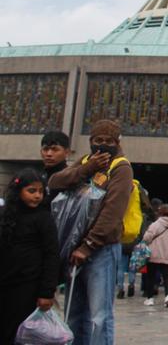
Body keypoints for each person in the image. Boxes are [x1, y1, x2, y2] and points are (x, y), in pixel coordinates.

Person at [49, 119, 133, 345]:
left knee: (100, 316)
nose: (103, 145)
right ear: (90, 142)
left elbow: (112, 212)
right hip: (74, 248)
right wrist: (86, 169)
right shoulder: (87, 161)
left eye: (108, 141)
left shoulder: (121, 167)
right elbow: (55, 181)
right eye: (98, 140)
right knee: (74, 313)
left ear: (117, 143)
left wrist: (89, 245)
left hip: (101, 250)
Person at [0, 168, 60, 345]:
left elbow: (51, 255)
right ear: (18, 191)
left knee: (19, 333)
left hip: (28, 287)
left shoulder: (43, 218)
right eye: (32, 191)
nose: (37, 196)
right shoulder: (5, 215)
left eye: (41, 191)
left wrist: (47, 292)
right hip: (4, 283)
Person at [142, 203, 168, 308]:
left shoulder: (156, 224)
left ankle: (150, 299)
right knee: (167, 277)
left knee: (151, 277)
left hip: (154, 254)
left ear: (160, 213)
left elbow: (146, 238)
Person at [39, 130, 71, 207]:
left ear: (67, 152)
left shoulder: (72, 177)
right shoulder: (39, 178)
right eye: (46, 149)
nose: (49, 154)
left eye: (55, 149)